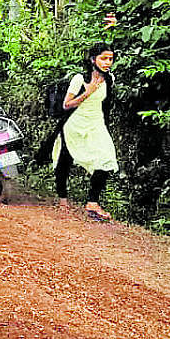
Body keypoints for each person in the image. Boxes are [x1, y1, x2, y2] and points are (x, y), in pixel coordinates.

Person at [52, 43, 118, 221]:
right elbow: (67, 104)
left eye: (110, 59)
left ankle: (92, 202)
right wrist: (86, 93)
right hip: (75, 123)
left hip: (96, 123)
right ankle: (63, 199)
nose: (107, 62)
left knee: (107, 158)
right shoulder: (79, 79)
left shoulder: (109, 78)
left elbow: (106, 104)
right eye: (103, 58)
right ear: (92, 59)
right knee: (65, 160)